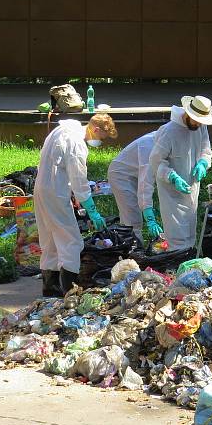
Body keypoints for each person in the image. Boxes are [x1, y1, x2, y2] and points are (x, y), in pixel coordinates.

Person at [34, 114, 118, 296]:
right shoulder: (77, 144)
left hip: (41, 189)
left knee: (50, 240)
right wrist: (93, 211)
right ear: (96, 129)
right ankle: (70, 291)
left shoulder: (62, 130)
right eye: (101, 138)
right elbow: (79, 181)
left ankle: (50, 289)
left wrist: (73, 192)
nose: (99, 143)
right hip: (56, 193)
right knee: (71, 241)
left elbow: (59, 166)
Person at [149, 95, 212, 251]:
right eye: (196, 120)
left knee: (190, 233)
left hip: (192, 187)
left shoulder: (201, 127)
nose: (199, 124)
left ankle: (188, 263)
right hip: (171, 193)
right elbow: (155, 161)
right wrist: (172, 177)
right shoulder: (169, 131)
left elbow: (206, 151)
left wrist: (203, 163)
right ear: (188, 114)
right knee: (176, 237)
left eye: (201, 121)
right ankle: (176, 266)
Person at [108, 132, 162, 242]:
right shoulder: (148, 145)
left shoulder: (165, 140)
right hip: (121, 175)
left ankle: (127, 244)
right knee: (132, 220)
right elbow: (145, 183)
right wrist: (150, 217)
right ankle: (134, 252)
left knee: (130, 218)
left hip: (135, 173)